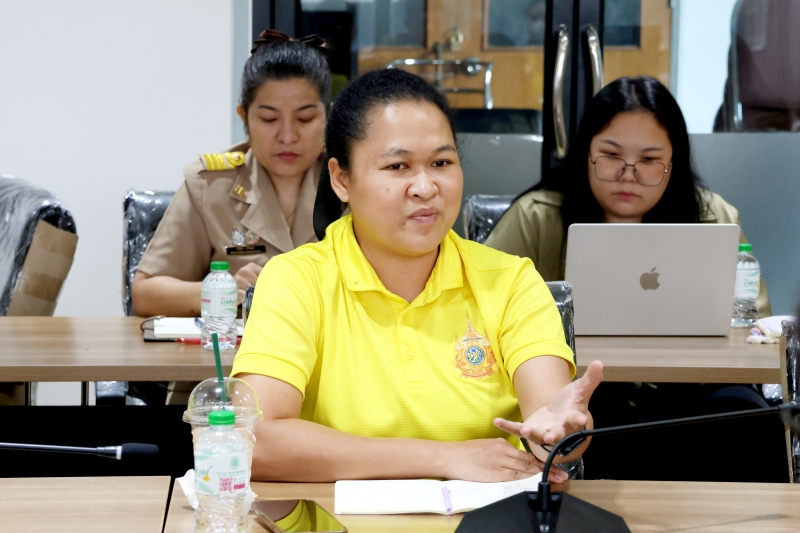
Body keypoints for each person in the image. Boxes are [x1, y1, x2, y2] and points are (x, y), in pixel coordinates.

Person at [232, 68, 604, 483]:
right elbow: (256, 440)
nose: (425, 187)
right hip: (334, 516)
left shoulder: (511, 281)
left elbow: (551, 421)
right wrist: (443, 458)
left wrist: (559, 432)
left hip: (485, 514)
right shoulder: (296, 280)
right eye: (397, 166)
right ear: (341, 180)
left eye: (441, 163)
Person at [485, 76, 771, 315]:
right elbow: (480, 311)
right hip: (569, 365)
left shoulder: (715, 217)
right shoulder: (534, 218)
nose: (628, 175)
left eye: (649, 160)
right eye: (611, 155)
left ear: (673, 164)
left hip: (690, 367)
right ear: (586, 154)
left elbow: (755, 322)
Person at [131, 31, 331, 318]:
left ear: (328, 116)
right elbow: (146, 294)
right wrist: (224, 290)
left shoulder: (352, 183)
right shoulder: (210, 185)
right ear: (244, 118)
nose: (287, 136)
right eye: (269, 119)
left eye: (304, 118)